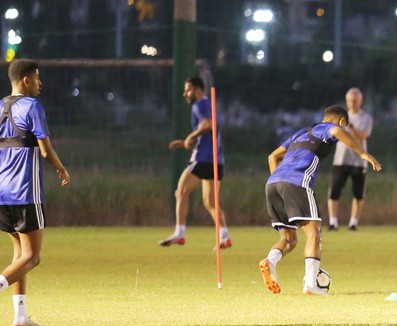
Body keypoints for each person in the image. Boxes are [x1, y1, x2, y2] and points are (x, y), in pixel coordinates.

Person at [0, 59, 71, 326]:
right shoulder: (32, 107)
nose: (40, 83)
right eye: (37, 78)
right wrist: (61, 169)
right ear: (25, 80)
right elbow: (45, 150)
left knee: (19, 255)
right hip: (25, 191)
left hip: (1, 192)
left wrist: (3, 159)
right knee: (32, 257)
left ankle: (20, 317)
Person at [259, 105, 382, 295]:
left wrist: (280, 180)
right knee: (314, 234)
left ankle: (270, 261)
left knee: (289, 239)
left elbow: (272, 156)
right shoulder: (328, 128)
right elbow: (336, 130)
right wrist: (363, 154)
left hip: (273, 183)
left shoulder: (302, 132)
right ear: (342, 121)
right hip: (296, 182)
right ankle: (310, 284)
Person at [159, 77, 231, 249]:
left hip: (203, 158)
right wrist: (187, 142)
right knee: (210, 202)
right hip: (217, 159)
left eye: (188, 90)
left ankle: (180, 233)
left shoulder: (199, 104)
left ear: (198, 89)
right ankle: (224, 236)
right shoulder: (208, 105)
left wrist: (190, 137)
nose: (185, 94)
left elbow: (208, 125)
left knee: (181, 191)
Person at [327, 87, 374, 231]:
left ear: (360, 101)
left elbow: (363, 136)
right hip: (341, 159)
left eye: (355, 100)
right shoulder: (339, 117)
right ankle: (333, 221)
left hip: (358, 161)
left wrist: (350, 126)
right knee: (335, 191)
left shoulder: (365, 118)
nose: (352, 103)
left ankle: (353, 222)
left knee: (358, 193)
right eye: (350, 101)